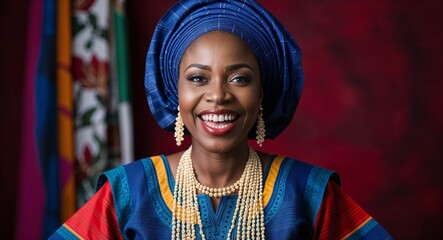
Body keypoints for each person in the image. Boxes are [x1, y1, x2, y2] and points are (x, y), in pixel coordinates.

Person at [51, 0, 392, 239]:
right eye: (198, 78)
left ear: (262, 94)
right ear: (175, 92)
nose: (218, 95)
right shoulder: (128, 193)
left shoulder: (309, 194)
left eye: (239, 78)